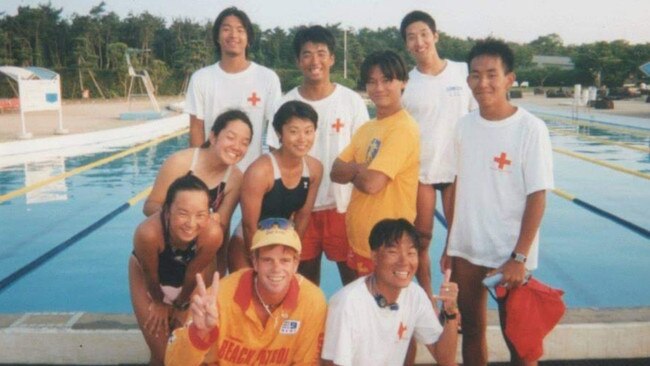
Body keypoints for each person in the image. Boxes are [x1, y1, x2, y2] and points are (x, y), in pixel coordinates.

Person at [442, 39, 554, 366]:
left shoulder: (530, 128)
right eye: (475, 76)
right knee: (473, 330)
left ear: (509, 78)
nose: (483, 83)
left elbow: (538, 195)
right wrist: (451, 242)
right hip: (467, 247)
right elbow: (457, 185)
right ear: (467, 82)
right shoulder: (463, 127)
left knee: (519, 338)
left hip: (510, 252)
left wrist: (519, 256)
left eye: (492, 74)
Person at [266, 25, 369, 286]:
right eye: (307, 54)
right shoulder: (284, 103)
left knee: (354, 282)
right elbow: (273, 156)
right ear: (298, 61)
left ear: (332, 58)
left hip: (342, 207)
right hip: (301, 209)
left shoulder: (351, 101)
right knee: (304, 284)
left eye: (321, 53)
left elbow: (365, 156)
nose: (315, 61)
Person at [165, 217, 327, 366]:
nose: (276, 269)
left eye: (285, 260)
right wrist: (198, 333)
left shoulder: (312, 301)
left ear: (296, 263)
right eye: (267, 260)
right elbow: (173, 363)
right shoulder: (218, 298)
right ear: (255, 262)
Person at [400, 10, 477, 298]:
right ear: (406, 45)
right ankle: (427, 298)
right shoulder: (406, 83)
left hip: (457, 169)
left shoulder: (462, 71)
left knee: (458, 240)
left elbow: (476, 116)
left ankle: (453, 299)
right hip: (422, 173)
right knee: (422, 239)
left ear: (435, 36)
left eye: (423, 34)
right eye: (411, 37)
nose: (419, 41)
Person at [322, 218, 459, 366]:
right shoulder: (347, 303)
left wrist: (450, 313)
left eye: (411, 253)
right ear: (374, 256)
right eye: (393, 252)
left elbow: (446, 360)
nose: (404, 261)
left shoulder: (415, 295)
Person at [331, 50, 420, 277]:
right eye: (372, 82)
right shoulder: (367, 128)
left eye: (387, 80)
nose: (379, 88)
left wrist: (353, 171)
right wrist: (358, 170)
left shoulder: (403, 129)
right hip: (360, 242)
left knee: (386, 309)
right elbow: (335, 171)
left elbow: (372, 184)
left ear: (403, 82)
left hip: (389, 246)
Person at [143, 109, 252, 276]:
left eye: (245, 142)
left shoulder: (236, 179)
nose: (237, 147)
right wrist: (181, 217)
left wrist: (221, 270)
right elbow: (150, 206)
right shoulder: (180, 162)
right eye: (230, 137)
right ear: (213, 136)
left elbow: (222, 226)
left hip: (201, 252)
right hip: (167, 241)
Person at [129, 174, 223, 366]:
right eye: (182, 213)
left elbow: (193, 273)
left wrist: (181, 306)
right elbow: (150, 275)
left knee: (189, 353)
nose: (191, 223)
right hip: (148, 277)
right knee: (163, 356)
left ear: (208, 213)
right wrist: (159, 302)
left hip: (188, 279)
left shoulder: (212, 234)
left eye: (200, 215)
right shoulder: (147, 234)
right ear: (167, 211)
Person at [185, 6, 281, 171]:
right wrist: (198, 172)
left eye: (240, 30)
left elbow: (276, 130)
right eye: (226, 29)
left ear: (248, 38)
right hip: (212, 174)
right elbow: (196, 129)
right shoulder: (201, 78)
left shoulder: (267, 78)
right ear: (217, 37)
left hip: (252, 175)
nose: (233, 35)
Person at [231, 101, 322, 270]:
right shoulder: (260, 171)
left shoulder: (315, 169)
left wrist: (294, 252)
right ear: (279, 133)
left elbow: (302, 217)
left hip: (282, 240)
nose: (302, 139)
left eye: (308, 131)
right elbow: (249, 225)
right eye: (294, 131)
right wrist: (257, 260)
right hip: (248, 241)